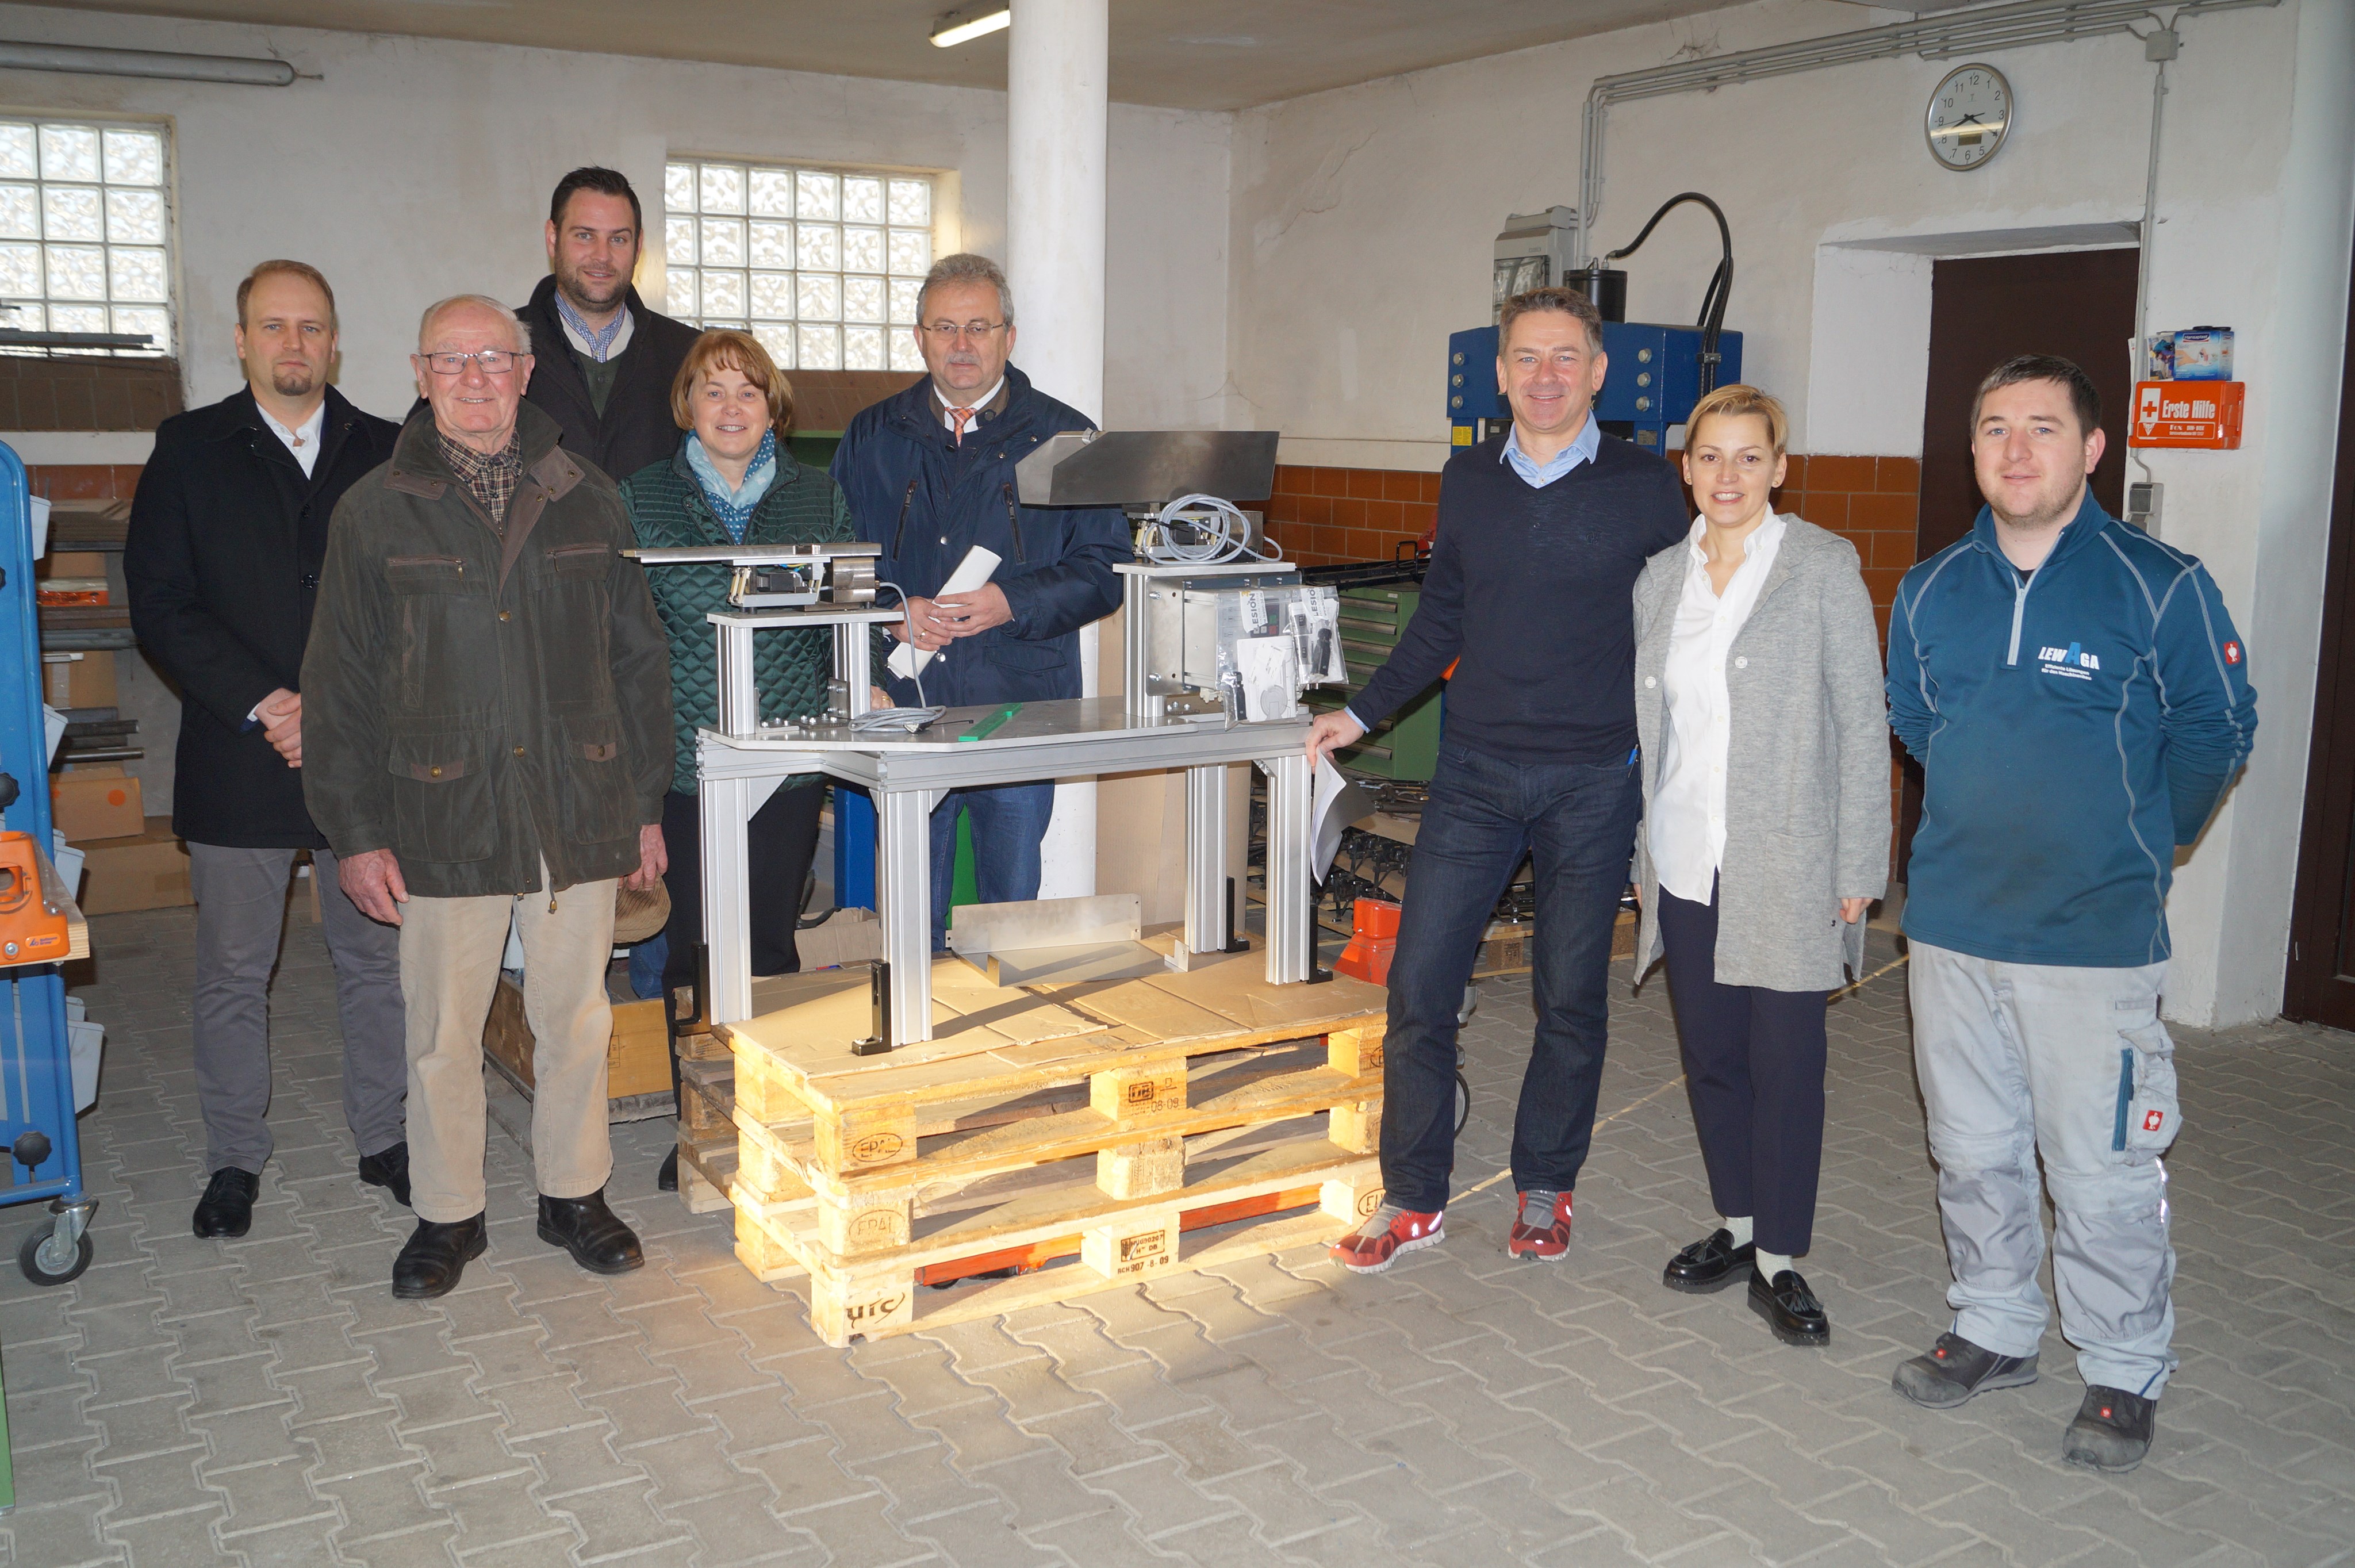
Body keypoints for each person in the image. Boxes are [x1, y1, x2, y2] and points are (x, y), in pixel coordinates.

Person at [1886, 354, 2256, 1471]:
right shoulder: (1930, 588)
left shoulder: (2160, 583)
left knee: (2099, 1171)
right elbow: (1917, 720)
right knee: (1971, 1150)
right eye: (1992, 427)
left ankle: (2121, 1364)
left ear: (2091, 450)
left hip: (2091, 945)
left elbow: (2214, 729)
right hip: (1950, 931)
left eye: (2039, 428)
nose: (2013, 450)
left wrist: (2141, 841)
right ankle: (1994, 1325)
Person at [1306, 285, 1688, 1272]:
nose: (1547, 375)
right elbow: (1441, 619)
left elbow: (1681, 636)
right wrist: (1360, 709)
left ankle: (1546, 1187)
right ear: (1501, 371)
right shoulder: (1468, 478)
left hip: (1596, 779)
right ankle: (1413, 1197)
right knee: (1422, 986)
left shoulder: (1651, 488)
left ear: (1598, 372)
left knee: (1570, 996)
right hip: (1475, 774)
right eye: (1528, 357)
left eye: (1567, 357)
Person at [302, 295, 674, 1300]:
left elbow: (638, 661)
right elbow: (337, 684)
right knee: (440, 1031)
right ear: (420, 373)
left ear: (525, 372)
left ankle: (575, 1192)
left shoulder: (586, 495)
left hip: (575, 804)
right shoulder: (374, 509)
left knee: (576, 1016)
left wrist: (644, 802)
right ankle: (448, 1214)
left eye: (494, 359)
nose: (475, 377)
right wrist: (356, 830)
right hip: (440, 814)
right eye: (452, 360)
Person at [125, 260, 409, 1241]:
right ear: (241, 340)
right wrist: (266, 699)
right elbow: (161, 600)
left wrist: (330, 706)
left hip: (360, 755)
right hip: (241, 750)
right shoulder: (190, 449)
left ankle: (386, 1137)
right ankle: (234, 1156)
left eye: (313, 327)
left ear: (337, 342)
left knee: (373, 960)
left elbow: (412, 598)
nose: (295, 345)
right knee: (235, 970)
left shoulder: (387, 447)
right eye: (274, 327)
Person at [1628, 384, 1889, 1347]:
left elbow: (1864, 719)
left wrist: (1860, 858)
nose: (1727, 475)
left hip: (1788, 859)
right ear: (1687, 468)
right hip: (1689, 856)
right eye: (1709, 457)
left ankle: (1781, 1255)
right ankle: (1736, 1224)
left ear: (1779, 467)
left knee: (1787, 1062)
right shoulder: (1661, 578)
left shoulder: (1821, 566)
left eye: (1748, 457)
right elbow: (1658, 729)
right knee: (1712, 1057)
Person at [830, 253, 1127, 945]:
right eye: (944, 328)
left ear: (1009, 337)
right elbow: (836, 562)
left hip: (1019, 702)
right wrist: (887, 611)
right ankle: (914, 1038)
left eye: (978, 327)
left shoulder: (1066, 438)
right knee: (908, 909)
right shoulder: (873, 437)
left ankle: (1006, 1040)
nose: (961, 345)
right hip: (904, 704)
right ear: (919, 337)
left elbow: (1107, 567)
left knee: (1009, 917)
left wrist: (1013, 601)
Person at [621, 329, 858, 1189]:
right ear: (688, 404)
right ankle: (698, 1121)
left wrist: (856, 691)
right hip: (682, 762)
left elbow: (843, 610)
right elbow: (620, 628)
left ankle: (770, 1121)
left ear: (772, 409)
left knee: (766, 944)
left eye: (748, 392)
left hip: (786, 760)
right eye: (713, 390)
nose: (730, 407)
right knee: (689, 949)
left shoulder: (814, 495)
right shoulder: (643, 494)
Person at [520, 166, 700, 486]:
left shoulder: (691, 355)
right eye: (585, 236)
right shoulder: (496, 350)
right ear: (552, 238)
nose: (602, 256)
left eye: (618, 239)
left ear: (638, 246)